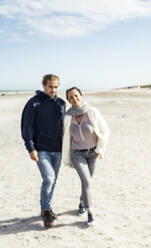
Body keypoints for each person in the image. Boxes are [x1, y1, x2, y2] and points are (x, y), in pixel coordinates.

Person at [21, 74, 65, 228]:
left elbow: (65, 126)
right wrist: (31, 148)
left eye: (56, 86)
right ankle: (46, 211)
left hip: (58, 149)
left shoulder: (61, 103)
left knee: (53, 181)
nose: (53, 89)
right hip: (41, 148)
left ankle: (46, 207)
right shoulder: (34, 103)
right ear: (44, 86)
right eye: (50, 86)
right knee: (49, 179)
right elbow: (27, 126)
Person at [61, 87, 109, 226]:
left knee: (86, 182)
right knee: (86, 181)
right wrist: (68, 155)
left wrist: (99, 149)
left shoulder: (92, 112)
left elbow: (105, 130)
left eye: (76, 95)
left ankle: (82, 202)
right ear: (68, 100)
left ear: (81, 96)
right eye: (70, 97)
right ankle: (90, 212)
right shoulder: (68, 116)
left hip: (92, 153)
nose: (74, 99)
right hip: (77, 154)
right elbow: (65, 137)